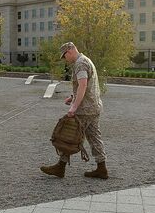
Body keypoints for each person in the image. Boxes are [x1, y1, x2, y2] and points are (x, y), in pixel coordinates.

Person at [40, 42, 108, 179]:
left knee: (70, 136)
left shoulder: (80, 64)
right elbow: (86, 86)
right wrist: (73, 97)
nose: (65, 59)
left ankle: (60, 167)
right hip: (94, 106)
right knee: (95, 137)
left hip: (85, 109)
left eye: (64, 56)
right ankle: (102, 168)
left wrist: (74, 107)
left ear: (69, 51)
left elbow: (83, 86)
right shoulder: (86, 60)